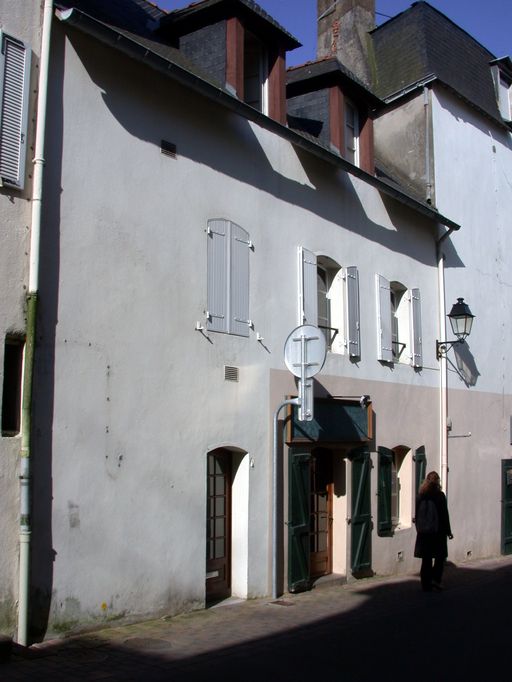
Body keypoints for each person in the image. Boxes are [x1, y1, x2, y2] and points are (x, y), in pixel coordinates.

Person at [414, 471, 453, 592]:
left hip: (424, 533)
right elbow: (444, 515)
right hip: (438, 532)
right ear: (437, 482)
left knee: (426, 559)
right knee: (439, 558)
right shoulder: (440, 496)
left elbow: (417, 515)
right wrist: (448, 531)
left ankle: (425, 584)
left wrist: (419, 529)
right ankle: (436, 580)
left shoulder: (420, 496)